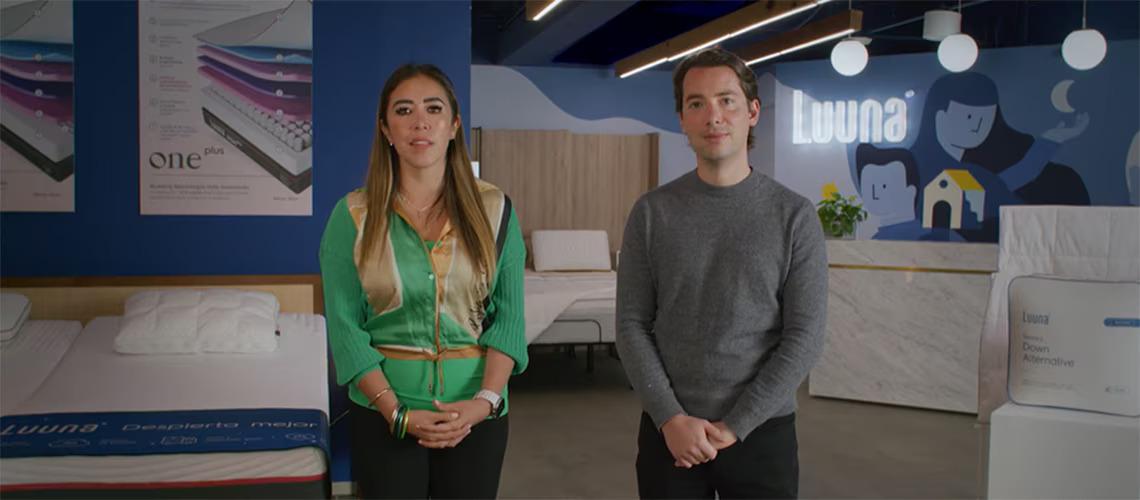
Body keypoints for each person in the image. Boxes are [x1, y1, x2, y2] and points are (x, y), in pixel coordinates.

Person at [615, 47, 828, 499]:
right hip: (669, 433)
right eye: (697, 103)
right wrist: (670, 418)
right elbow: (632, 324)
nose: (714, 115)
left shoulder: (794, 216)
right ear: (682, 119)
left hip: (761, 432)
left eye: (727, 100)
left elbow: (805, 336)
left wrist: (736, 425)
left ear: (752, 112)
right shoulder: (651, 213)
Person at [319, 63, 526, 499]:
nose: (420, 121)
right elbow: (344, 328)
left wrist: (483, 403)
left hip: (477, 414)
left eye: (434, 108)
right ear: (385, 129)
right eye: (403, 110)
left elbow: (509, 320)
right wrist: (396, 413)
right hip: (384, 414)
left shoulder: (497, 210)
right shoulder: (351, 216)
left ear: (453, 126)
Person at [853, 143, 963, 241]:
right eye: (870, 187)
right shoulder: (876, 241)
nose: (875, 193)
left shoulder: (935, 238)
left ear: (911, 191)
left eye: (884, 186)